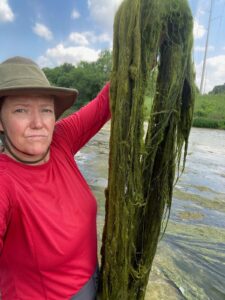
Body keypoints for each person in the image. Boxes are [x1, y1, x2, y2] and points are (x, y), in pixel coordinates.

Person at [0, 56, 111, 300]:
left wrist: (145, 49)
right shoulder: (4, 181)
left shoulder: (61, 140)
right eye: (21, 110)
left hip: (93, 283)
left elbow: (107, 101)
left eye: (46, 110)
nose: (38, 123)